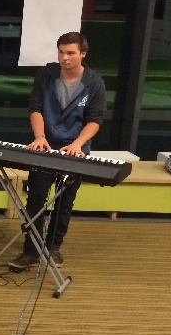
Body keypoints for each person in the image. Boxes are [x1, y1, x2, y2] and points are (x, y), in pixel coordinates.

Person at [8, 32, 106, 271]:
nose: (64, 58)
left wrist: (78, 144)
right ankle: (31, 251)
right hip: (45, 146)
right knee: (36, 200)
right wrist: (40, 136)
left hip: (74, 150)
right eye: (61, 52)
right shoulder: (46, 75)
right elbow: (35, 107)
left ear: (83, 54)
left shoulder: (94, 82)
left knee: (64, 203)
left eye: (70, 53)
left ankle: (53, 248)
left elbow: (95, 120)